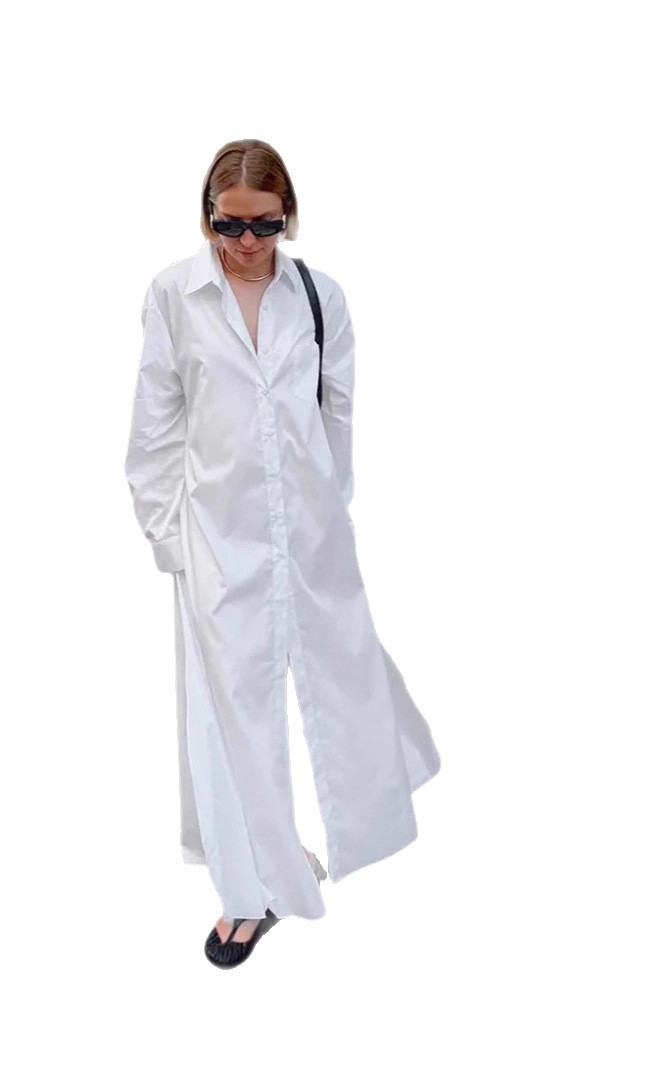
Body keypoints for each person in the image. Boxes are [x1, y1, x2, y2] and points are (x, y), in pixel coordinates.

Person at [124, 139, 441, 968]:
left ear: (288, 216)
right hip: (215, 537)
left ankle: (365, 812)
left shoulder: (320, 297)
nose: (244, 241)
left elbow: (337, 408)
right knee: (229, 714)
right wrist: (170, 539)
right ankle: (249, 889)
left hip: (307, 528)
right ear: (206, 217)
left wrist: (331, 505)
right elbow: (154, 428)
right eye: (227, 223)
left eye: (263, 224)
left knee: (349, 670)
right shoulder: (174, 296)